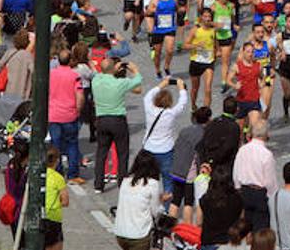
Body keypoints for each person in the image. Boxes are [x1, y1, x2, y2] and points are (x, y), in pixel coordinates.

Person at [93, 56, 143, 193]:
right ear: (114, 69)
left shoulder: (96, 80)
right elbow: (138, 81)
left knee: (101, 152)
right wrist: (135, 70)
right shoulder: (121, 83)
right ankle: (122, 182)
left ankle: (98, 184)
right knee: (122, 152)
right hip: (117, 120)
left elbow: (99, 71)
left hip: (101, 119)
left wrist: (112, 68)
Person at [115, 150, 166, 250]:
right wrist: (162, 203)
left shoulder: (125, 181)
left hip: (120, 233)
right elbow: (156, 211)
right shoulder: (152, 184)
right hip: (139, 235)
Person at [143, 76, 189, 193]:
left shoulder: (149, 109)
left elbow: (148, 95)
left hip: (149, 149)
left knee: (149, 180)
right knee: (168, 180)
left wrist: (164, 83)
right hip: (166, 150)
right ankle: (167, 202)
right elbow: (182, 103)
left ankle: (150, 200)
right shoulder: (171, 113)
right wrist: (181, 87)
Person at [48, 47, 85, 183]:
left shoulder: (51, 74)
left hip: (53, 114)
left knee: (55, 144)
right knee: (72, 144)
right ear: (70, 60)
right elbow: (79, 96)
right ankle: (73, 174)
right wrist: (78, 110)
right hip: (69, 114)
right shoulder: (74, 76)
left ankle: (56, 171)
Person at [234, 120, 278, 231]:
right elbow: (270, 182)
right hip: (259, 194)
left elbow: (236, 173)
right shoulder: (266, 154)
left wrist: (238, 189)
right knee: (260, 231)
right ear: (266, 134)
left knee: (246, 229)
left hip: (244, 192)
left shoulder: (242, 150)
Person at [42, 145, 69, 250]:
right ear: (57, 161)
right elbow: (65, 201)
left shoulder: (36, 175)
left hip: (39, 218)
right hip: (53, 220)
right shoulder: (58, 178)